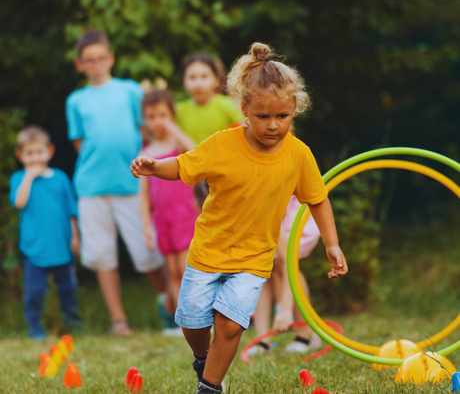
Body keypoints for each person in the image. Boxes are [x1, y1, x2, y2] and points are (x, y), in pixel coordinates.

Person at [130, 42, 348, 394]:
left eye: (283, 116)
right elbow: (184, 167)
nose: (273, 125)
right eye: (263, 116)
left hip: (254, 257)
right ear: (244, 108)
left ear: (295, 110)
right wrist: (155, 167)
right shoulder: (223, 145)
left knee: (231, 325)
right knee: (191, 320)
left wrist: (332, 244)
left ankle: (210, 386)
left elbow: (318, 199)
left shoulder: (298, 154)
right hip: (209, 250)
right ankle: (205, 360)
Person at [66, 29, 171, 336]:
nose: (96, 64)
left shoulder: (130, 91)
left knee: (147, 252)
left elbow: (146, 132)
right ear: (79, 64)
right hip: (91, 188)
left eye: (101, 58)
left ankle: (174, 309)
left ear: (110, 58)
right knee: (101, 255)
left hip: (132, 184)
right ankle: (118, 321)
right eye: (89, 60)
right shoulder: (76, 100)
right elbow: (79, 143)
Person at [9, 126, 82, 340]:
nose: (34, 158)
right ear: (20, 155)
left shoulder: (60, 178)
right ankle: (35, 326)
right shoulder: (18, 179)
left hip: (61, 245)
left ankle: (72, 321)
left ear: (49, 151)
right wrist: (29, 177)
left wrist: (75, 237)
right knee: (34, 292)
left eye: (39, 152)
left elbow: (71, 211)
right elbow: (19, 203)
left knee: (68, 288)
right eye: (29, 154)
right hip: (34, 249)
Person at [140, 89, 199, 335]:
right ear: (145, 120)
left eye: (163, 115)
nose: (158, 121)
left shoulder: (178, 145)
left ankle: (197, 318)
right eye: (152, 116)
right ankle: (179, 320)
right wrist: (146, 227)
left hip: (184, 214)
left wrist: (175, 130)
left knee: (187, 269)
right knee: (172, 271)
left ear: (172, 115)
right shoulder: (146, 151)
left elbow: (196, 152)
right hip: (161, 219)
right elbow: (143, 196)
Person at [250, 196, 322, 355]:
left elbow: (288, 261)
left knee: (283, 265)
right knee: (261, 269)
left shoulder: (264, 198)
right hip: (269, 214)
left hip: (292, 218)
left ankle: (306, 335)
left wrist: (285, 309)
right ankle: (263, 340)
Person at [175, 54, 243, 145]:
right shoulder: (178, 111)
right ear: (184, 81)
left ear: (216, 80)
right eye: (192, 77)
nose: (198, 84)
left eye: (204, 76)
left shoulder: (229, 106)